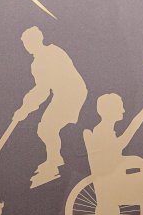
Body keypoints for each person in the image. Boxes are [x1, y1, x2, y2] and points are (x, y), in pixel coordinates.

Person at [12, 26, 87, 186]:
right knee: (45, 129)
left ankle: (54, 163)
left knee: (47, 128)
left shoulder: (52, 53)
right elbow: (41, 89)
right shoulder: (37, 62)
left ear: (37, 40)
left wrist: (25, 109)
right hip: (63, 94)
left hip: (72, 92)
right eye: (25, 43)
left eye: (28, 42)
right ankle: (54, 160)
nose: (27, 46)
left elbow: (42, 91)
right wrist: (24, 108)